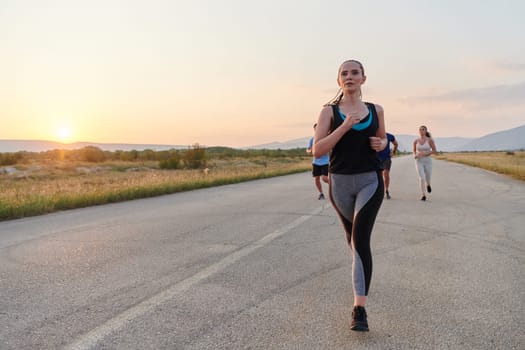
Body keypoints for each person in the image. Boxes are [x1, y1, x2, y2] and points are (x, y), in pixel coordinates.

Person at [313, 59, 387, 332]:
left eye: (355, 73)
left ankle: (359, 309)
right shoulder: (329, 112)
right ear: (339, 81)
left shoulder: (376, 110)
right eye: (344, 73)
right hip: (340, 184)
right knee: (352, 242)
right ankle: (361, 276)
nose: (350, 77)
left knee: (360, 240)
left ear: (363, 79)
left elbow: (381, 143)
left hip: (370, 181)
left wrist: (383, 143)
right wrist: (344, 127)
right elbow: (318, 150)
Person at [413, 125, 437, 201]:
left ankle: (428, 184)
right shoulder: (416, 141)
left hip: (427, 161)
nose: (421, 131)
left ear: (426, 131)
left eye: (423, 129)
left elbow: (434, 150)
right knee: (422, 178)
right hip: (418, 161)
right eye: (420, 129)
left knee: (428, 176)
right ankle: (423, 195)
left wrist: (425, 154)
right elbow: (413, 151)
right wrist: (415, 155)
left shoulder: (430, 140)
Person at [306, 124, 329, 199]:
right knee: (316, 179)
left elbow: (330, 148)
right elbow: (308, 149)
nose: (317, 130)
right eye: (315, 129)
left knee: (325, 179)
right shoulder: (312, 139)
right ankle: (321, 193)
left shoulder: (325, 138)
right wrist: (309, 151)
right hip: (315, 162)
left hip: (325, 162)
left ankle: (334, 188)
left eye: (318, 129)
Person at [377, 132, 398, 199]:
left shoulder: (389, 136)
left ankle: (386, 190)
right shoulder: (374, 134)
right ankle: (379, 191)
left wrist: (393, 151)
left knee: (386, 174)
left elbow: (396, 144)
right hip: (376, 159)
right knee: (378, 176)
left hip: (386, 158)